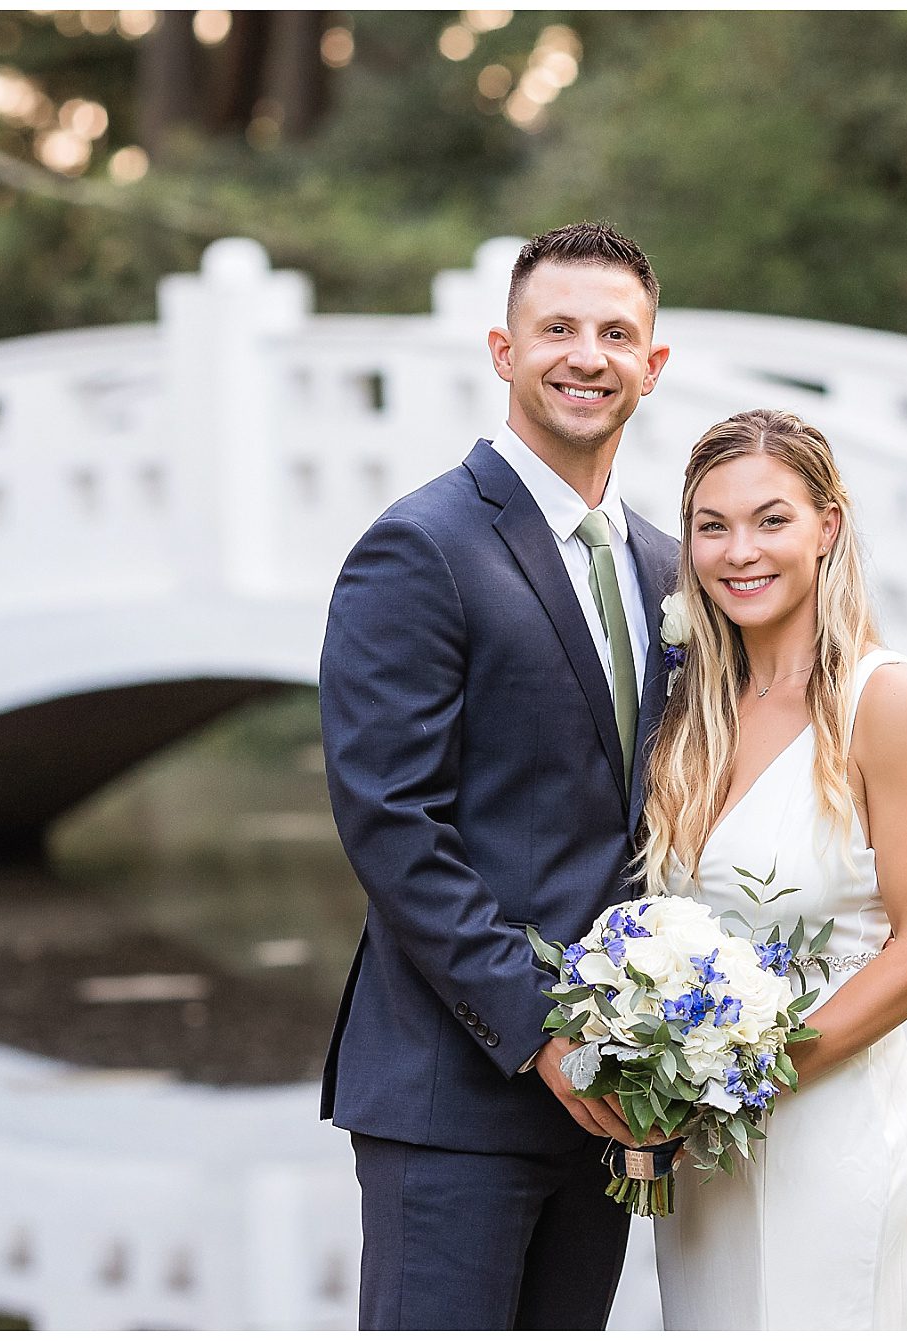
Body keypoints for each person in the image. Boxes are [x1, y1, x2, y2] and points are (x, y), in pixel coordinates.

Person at [317, 222, 677, 1329]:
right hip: (456, 1093)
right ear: (500, 351)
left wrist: (649, 1042)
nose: (586, 355)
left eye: (615, 333)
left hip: (614, 1105)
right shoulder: (419, 547)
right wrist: (542, 1034)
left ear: (652, 365)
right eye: (555, 328)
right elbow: (392, 824)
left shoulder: (666, 564)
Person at [639, 408, 907, 1329]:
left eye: (771, 519)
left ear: (828, 525)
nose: (740, 550)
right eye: (713, 525)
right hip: (706, 1153)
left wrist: (753, 1074)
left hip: (833, 1138)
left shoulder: (890, 702)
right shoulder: (690, 715)